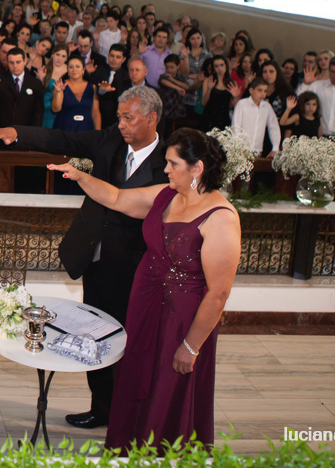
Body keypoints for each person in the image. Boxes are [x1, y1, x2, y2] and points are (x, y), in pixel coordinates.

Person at [0, 86, 167, 430]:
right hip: (95, 259)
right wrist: (18, 132)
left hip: (136, 268)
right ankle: (102, 409)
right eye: (120, 117)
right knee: (95, 337)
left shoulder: (168, 163)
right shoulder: (111, 140)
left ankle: (132, 415)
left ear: (151, 118)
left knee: (132, 344)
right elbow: (63, 138)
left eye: (130, 118)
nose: (122, 125)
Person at [48, 129, 240, 450]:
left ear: (197, 168)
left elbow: (218, 294)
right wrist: (81, 177)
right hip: (146, 306)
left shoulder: (221, 218)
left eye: (172, 163)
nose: (165, 169)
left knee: (167, 389)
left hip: (181, 321)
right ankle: (128, 448)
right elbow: (117, 198)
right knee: (136, 379)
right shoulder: (167, 194)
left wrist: (191, 347)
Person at [231, 77, 280, 156]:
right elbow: (236, 126)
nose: (263, 94)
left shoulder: (267, 106)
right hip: (241, 150)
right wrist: (239, 148)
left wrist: (275, 147)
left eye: (265, 91)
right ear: (251, 90)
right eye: (259, 90)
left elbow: (273, 126)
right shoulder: (242, 104)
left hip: (257, 150)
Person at [52, 53, 100, 132]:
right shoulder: (60, 85)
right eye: (71, 67)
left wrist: (98, 133)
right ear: (67, 70)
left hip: (86, 130)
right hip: (64, 129)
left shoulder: (92, 87)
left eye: (77, 66)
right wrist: (59, 92)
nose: (74, 69)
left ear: (83, 70)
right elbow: (55, 109)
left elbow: (95, 113)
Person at [199, 56, 237, 131]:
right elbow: (203, 103)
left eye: (221, 65)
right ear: (213, 68)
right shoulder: (208, 80)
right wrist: (209, 89)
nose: (219, 68)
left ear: (226, 66)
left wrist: (235, 97)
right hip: (209, 118)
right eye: (216, 66)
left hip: (224, 118)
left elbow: (231, 106)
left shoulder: (232, 83)